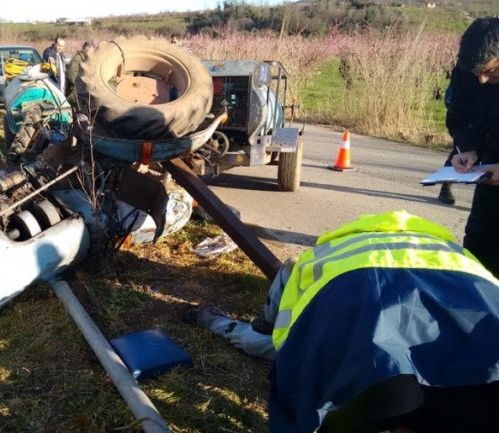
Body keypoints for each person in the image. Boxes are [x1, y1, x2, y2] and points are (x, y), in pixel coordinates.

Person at [183, 211, 499, 433]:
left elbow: (277, 336)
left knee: (260, 343)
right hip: (477, 380)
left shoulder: (327, 253)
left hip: (370, 371)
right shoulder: (456, 255)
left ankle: (210, 319)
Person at [447, 17, 499, 276]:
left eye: (491, 72)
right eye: (476, 73)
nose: (481, 80)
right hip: (489, 181)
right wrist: (466, 148)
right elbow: (460, 115)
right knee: (476, 253)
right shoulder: (465, 72)